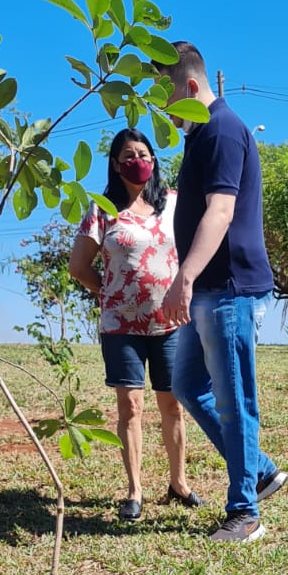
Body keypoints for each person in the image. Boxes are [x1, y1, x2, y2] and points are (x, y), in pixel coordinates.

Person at [158, 42, 288, 543]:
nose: (166, 116)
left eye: (167, 102)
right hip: (208, 290)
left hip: (227, 288)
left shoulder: (222, 130)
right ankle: (258, 469)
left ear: (191, 88)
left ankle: (244, 513)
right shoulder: (201, 136)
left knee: (234, 399)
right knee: (189, 385)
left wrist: (183, 277)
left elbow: (221, 212)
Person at [69, 127, 203, 522]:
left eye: (143, 154)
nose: (137, 161)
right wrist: (110, 292)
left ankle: (179, 483)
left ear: (154, 160)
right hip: (120, 328)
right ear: (115, 164)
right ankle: (134, 490)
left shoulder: (175, 205)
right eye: (128, 156)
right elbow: (79, 267)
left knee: (172, 405)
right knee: (130, 406)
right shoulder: (102, 209)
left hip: (171, 323)